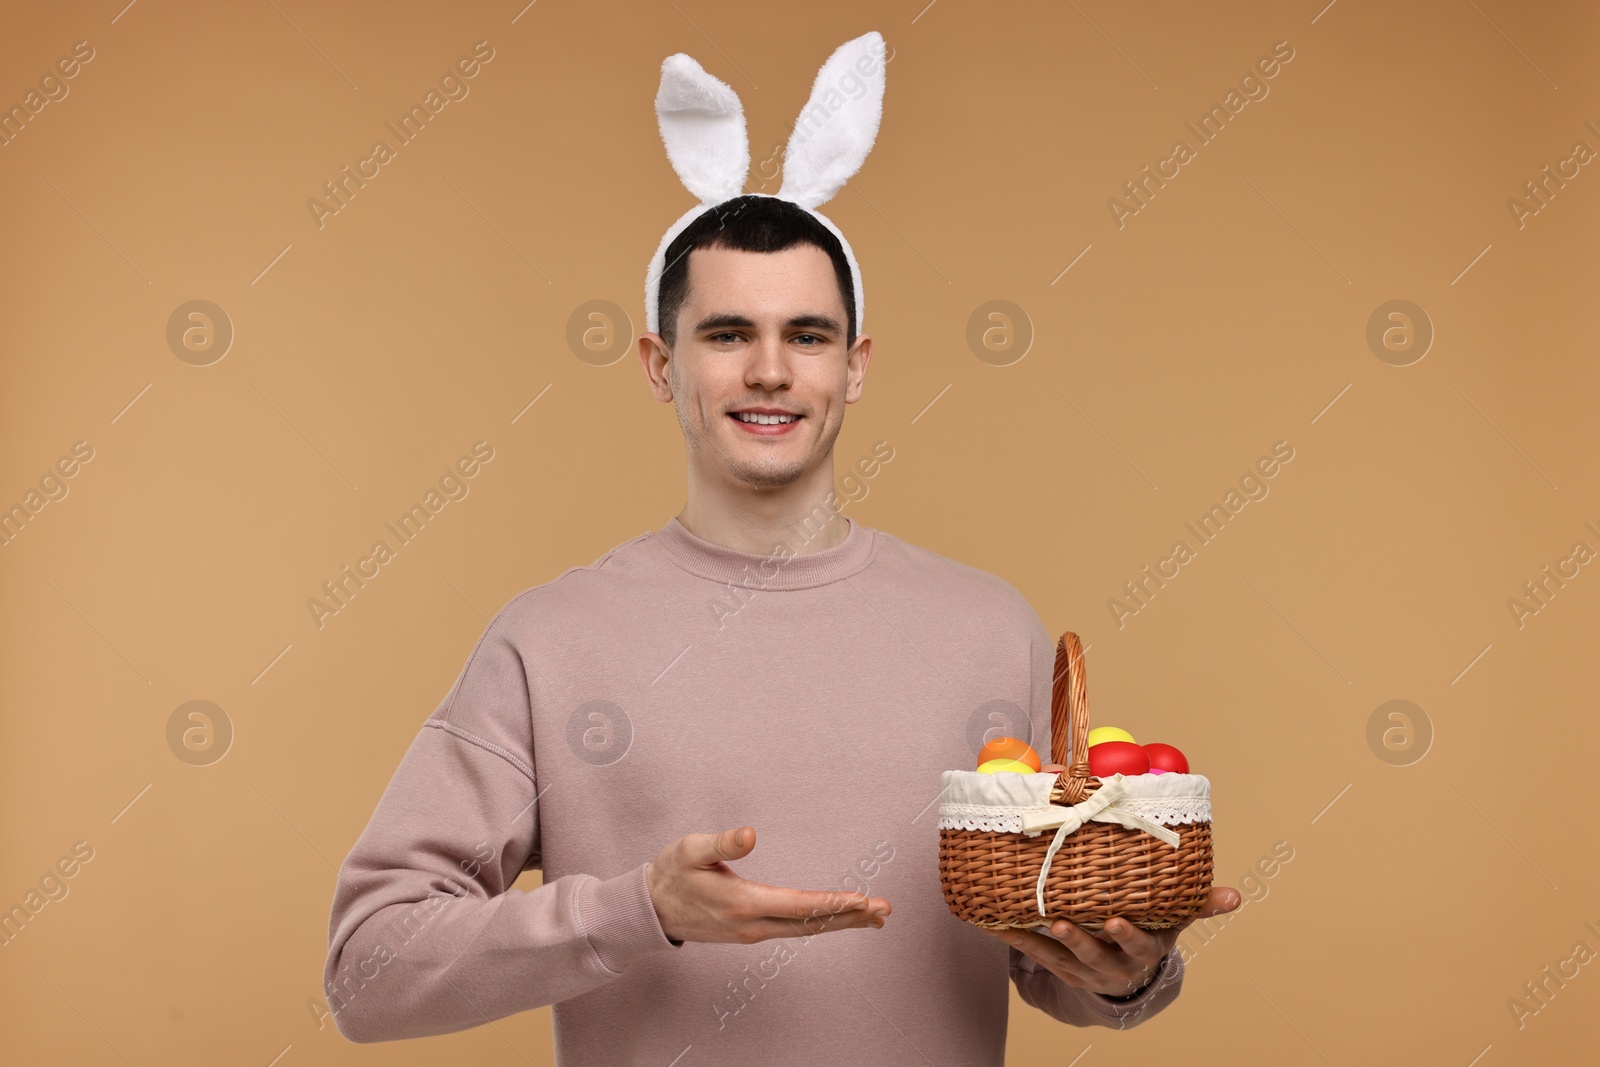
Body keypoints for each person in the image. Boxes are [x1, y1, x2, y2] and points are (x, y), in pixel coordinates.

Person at [323, 33, 1238, 1065]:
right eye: (726, 335)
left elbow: (1051, 960)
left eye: (807, 335)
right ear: (660, 365)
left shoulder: (991, 630)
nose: (769, 370)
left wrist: (1131, 974)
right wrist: (638, 907)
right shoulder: (548, 640)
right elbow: (367, 968)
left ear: (853, 368)